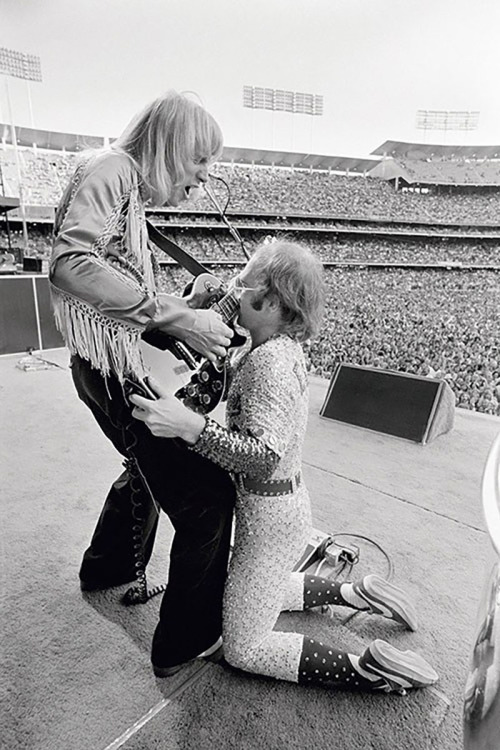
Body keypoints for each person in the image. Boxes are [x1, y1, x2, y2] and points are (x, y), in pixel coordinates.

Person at [130, 240, 439, 693]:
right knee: (260, 586)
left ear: (272, 301)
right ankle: (357, 594)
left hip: (270, 519)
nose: (234, 288)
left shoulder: (268, 365)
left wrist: (189, 426)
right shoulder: (274, 348)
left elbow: (261, 453)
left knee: (244, 646)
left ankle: (369, 669)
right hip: (282, 512)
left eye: (243, 281)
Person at [49, 90, 237, 675]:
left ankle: (105, 567)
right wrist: (182, 318)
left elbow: (123, 298)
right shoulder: (112, 170)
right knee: (208, 499)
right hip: (113, 372)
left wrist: (187, 300)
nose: (205, 176)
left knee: (142, 468)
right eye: (200, 160)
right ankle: (185, 639)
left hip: (102, 365)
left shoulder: (124, 187)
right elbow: (68, 264)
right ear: (171, 146)